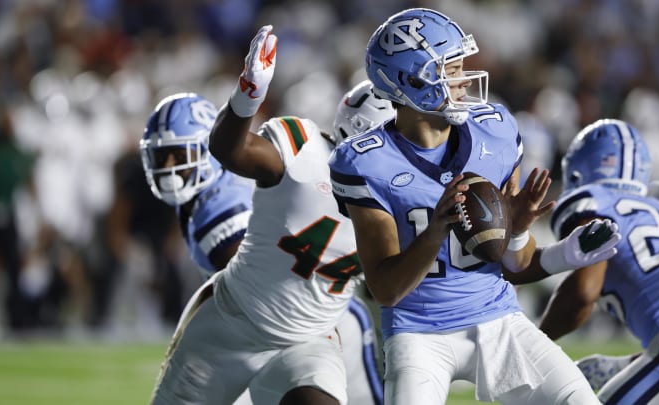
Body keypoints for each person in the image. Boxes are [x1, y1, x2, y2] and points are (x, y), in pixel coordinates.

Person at [328, 8, 621, 405]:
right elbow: (386, 289)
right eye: (450, 69)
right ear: (409, 80)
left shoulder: (495, 131)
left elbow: (515, 264)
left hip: (499, 319)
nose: (464, 78)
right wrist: (435, 231)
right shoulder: (367, 161)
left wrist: (517, 229)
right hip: (418, 333)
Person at [148, 26, 393, 405]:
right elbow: (231, 151)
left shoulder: (400, 203)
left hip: (311, 338)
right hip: (233, 323)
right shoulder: (303, 154)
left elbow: (390, 286)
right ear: (361, 135)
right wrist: (248, 96)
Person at [538, 118, 659, 404]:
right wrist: (629, 365)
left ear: (578, 171)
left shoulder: (595, 202)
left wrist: (531, 344)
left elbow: (583, 292)